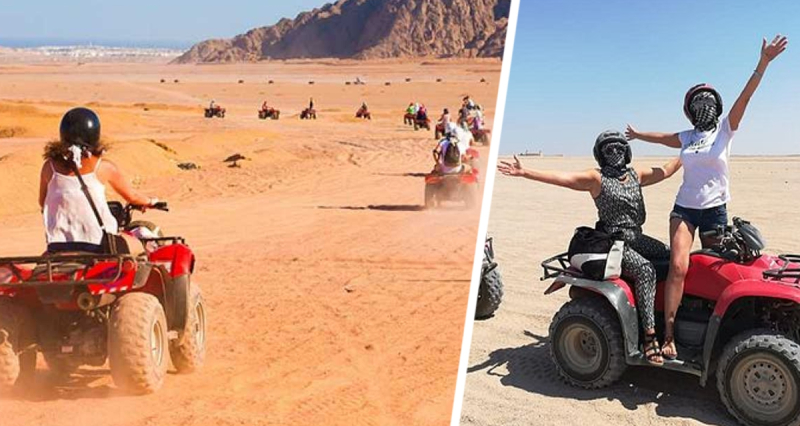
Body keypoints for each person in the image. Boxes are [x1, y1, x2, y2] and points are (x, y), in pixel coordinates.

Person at [625, 34, 788, 359]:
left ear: (716, 107)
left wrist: (763, 63)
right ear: (689, 111)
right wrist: (638, 134)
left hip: (715, 212)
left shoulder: (725, 130)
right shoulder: (687, 137)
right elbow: (663, 138)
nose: (703, 106)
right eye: (697, 103)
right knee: (679, 266)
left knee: (714, 272)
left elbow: (745, 97)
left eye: (707, 101)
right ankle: (669, 334)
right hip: (685, 210)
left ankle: (715, 331)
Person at [498, 131, 683, 365]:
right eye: (609, 149)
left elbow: (665, 171)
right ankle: (649, 337)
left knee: (672, 257)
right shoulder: (596, 179)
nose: (615, 153)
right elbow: (563, 178)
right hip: (614, 242)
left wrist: (687, 152)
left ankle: (659, 310)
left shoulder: (636, 175)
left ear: (626, 151)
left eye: (619, 148)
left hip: (636, 236)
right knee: (645, 270)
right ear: (600, 154)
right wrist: (525, 172)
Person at [39, 107, 159, 254]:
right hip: (98, 244)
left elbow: (42, 202)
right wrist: (149, 202)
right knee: (141, 248)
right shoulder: (103, 167)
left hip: (57, 246)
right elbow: (132, 196)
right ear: (95, 135)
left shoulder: (48, 167)